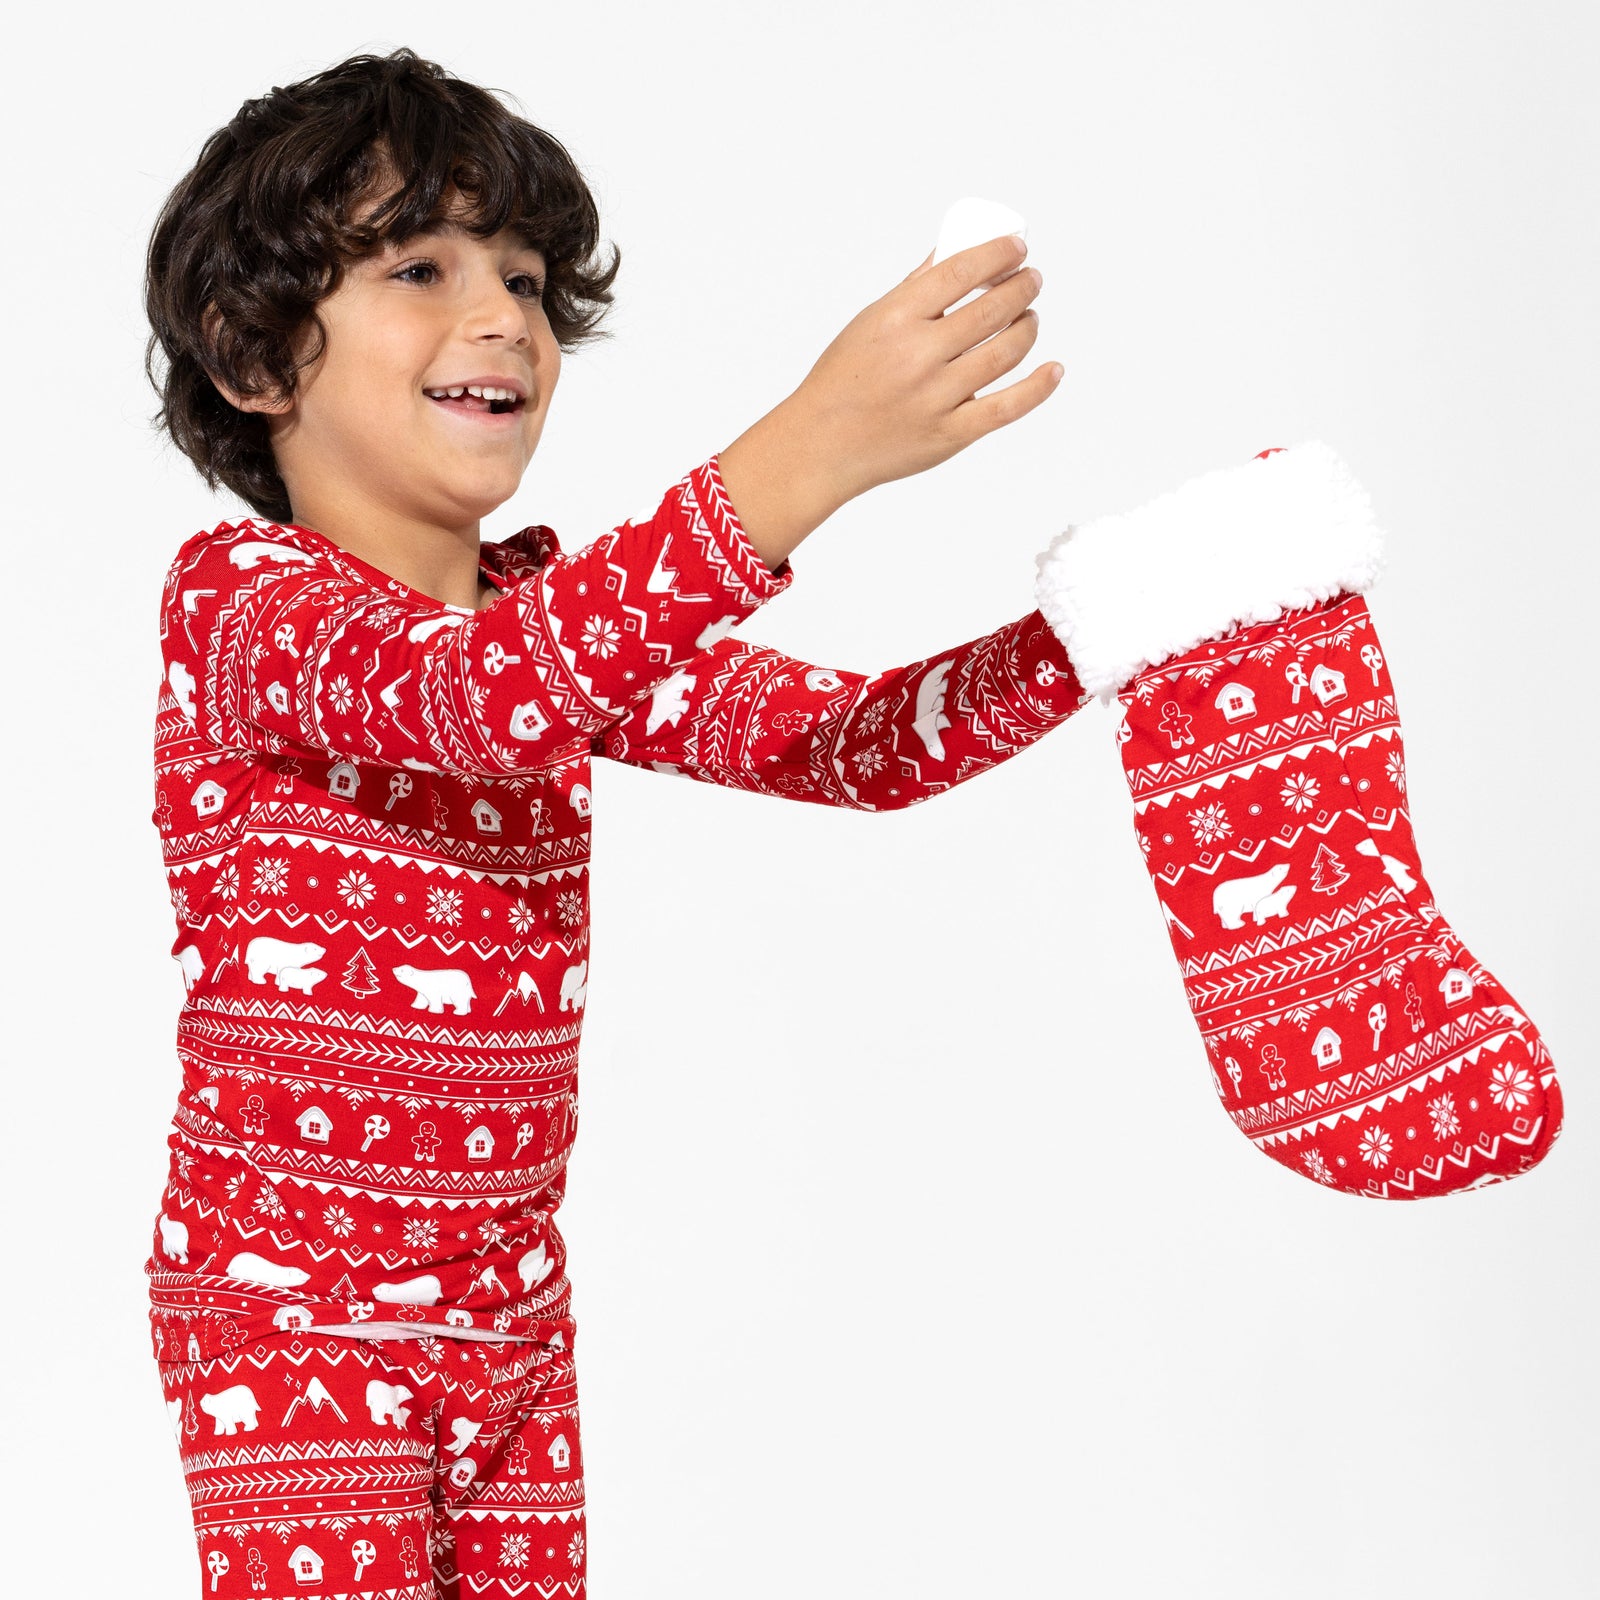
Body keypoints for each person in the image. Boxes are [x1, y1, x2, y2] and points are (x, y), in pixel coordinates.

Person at [142, 45, 1079, 1600]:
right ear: (253, 357)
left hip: (511, 1316)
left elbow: (855, 749)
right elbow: (478, 701)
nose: (503, 315)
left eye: (522, 276)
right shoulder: (248, 605)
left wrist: (1099, 633)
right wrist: (812, 449)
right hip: (295, 1325)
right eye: (421, 268)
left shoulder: (551, 624)